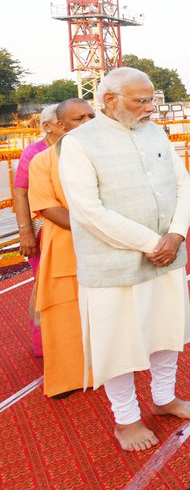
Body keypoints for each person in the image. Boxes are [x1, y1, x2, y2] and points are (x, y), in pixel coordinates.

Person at [58, 67, 190, 452]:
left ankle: (164, 397)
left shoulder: (155, 131)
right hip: (115, 263)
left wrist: (176, 234)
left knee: (165, 329)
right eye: (141, 100)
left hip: (167, 254)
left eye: (152, 99)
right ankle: (126, 421)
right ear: (109, 100)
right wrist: (151, 242)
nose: (150, 108)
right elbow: (88, 210)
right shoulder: (79, 143)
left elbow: (183, 187)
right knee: (118, 343)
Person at [27, 98, 95, 397]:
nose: (86, 124)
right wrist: (96, 227)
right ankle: (67, 378)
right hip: (65, 247)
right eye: (78, 119)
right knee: (64, 317)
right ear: (60, 125)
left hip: (105, 247)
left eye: (91, 117)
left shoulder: (105, 156)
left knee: (105, 313)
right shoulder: (42, 160)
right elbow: (46, 207)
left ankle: (106, 370)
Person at [13, 104, 59, 356]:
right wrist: (25, 233)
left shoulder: (78, 149)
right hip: (44, 231)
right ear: (48, 126)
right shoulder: (34, 153)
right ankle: (46, 344)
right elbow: (20, 194)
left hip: (75, 231)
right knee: (45, 288)